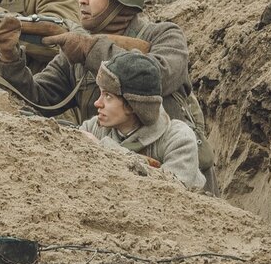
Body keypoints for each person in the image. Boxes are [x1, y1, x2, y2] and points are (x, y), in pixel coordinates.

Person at [0, 0, 217, 192]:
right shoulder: (79, 46)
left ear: (120, 0)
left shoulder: (163, 35)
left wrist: (91, 50)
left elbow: (157, 77)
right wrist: (10, 57)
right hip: (109, 178)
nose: (82, 0)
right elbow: (38, 99)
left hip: (177, 170)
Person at [79, 51, 205, 190]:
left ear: (133, 106)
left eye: (108, 96)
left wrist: (104, 148)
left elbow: (170, 192)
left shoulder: (178, 139)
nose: (97, 103)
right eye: (100, 93)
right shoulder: (93, 129)